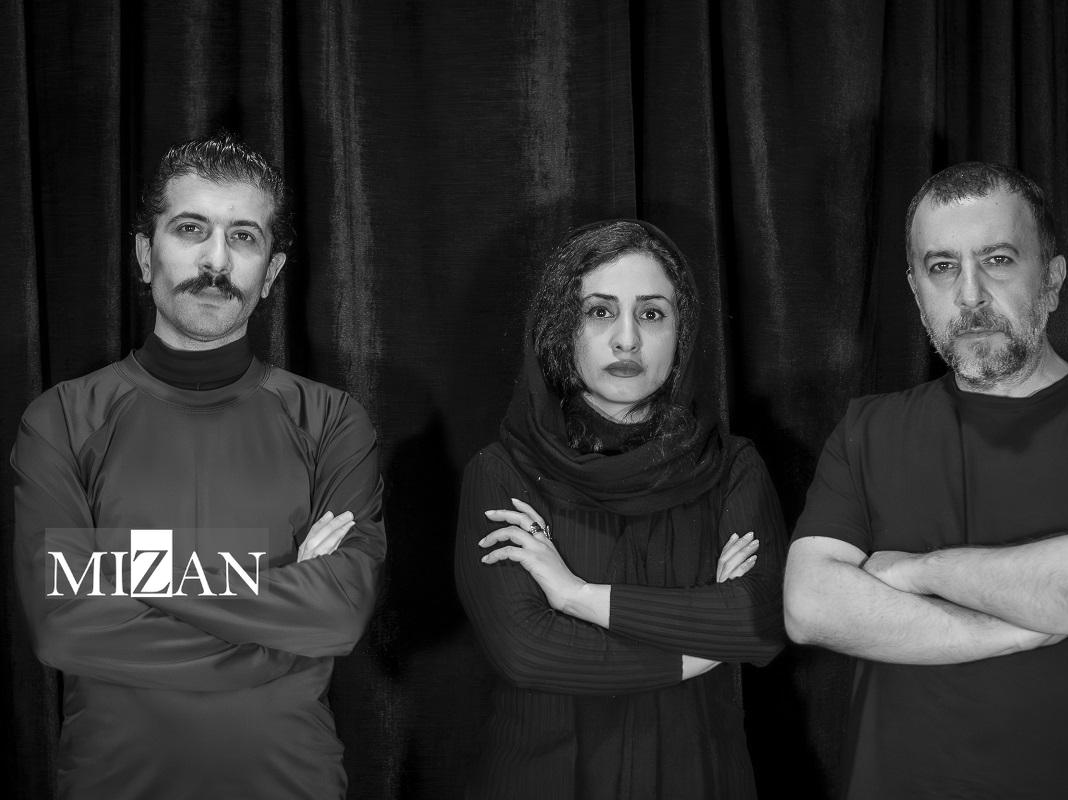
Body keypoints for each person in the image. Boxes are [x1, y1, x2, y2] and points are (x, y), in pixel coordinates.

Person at [784, 162, 1068, 799]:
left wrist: (915, 571)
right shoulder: (868, 428)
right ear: (916, 289)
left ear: (1051, 279)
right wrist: (1024, 628)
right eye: (942, 267)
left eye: (998, 260)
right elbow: (809, 607)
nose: (970, 295)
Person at [11, 133, 386, 799]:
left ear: (270, 272)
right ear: (144, 254)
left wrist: (123, 572)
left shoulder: (332, 421)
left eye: (243, 237)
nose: (216, 260)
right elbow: (61, 627)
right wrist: (279, 620)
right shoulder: (62, 419)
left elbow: (339, 616)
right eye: (191, 229)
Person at [454, 219, 786, 799]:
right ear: (562, 328)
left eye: (652, 313)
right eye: (600, 312)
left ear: (682, 332)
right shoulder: (501, 473)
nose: (627, 339)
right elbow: (528, 652)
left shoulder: (733, 467)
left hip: (698, 779)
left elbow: (762, 620)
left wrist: (575, 596)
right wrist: (703, 646)